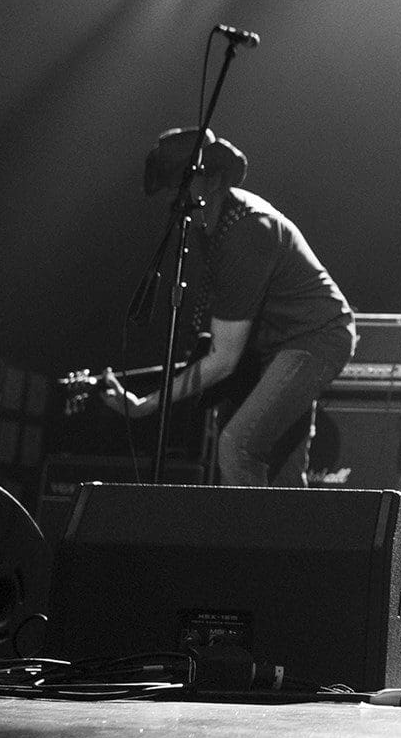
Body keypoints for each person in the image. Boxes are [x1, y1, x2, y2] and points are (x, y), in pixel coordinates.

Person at [106, 129, 355, 486]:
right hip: (273, 348)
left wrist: (146, 404)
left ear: (213, 181)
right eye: (171, 191)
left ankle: (253, 527)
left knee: (238, 445)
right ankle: (289, 523)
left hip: (313, 339)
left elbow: (224, 359)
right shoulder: (215, 224)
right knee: (282, 472)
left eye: (180, 187)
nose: (176, 201)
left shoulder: (246, 231)